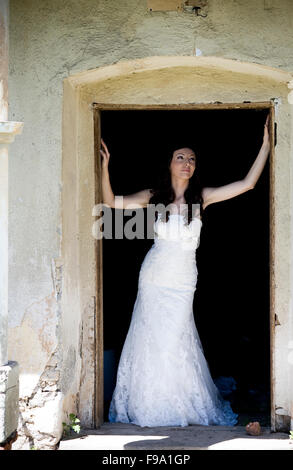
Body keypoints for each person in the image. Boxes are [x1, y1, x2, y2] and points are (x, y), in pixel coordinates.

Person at [100, 115, 271, 427]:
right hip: (154, 277)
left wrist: (265, 146)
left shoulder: (201, 197)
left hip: (182, 280)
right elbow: (110, 202)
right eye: (180, 157)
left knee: (177, 338)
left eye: (192, 159)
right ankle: (148, 404)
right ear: (169, 163)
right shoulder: (154, 197)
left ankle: (180, 402)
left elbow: (248, 184)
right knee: (151, 337)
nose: (186, 163)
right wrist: (105, 166)